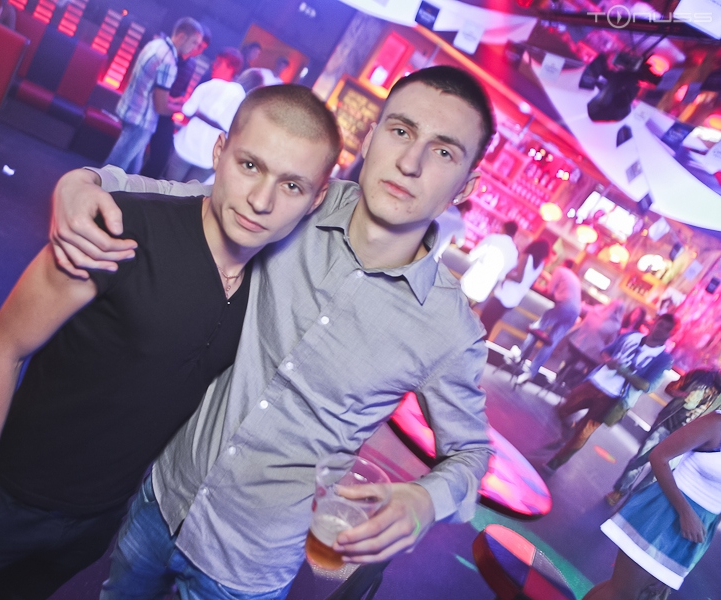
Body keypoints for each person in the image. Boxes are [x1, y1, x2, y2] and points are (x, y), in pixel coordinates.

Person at [0, 85, 340, 600]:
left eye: (291, 186)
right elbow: (1, 346)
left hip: (94, 522)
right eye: (250, 165)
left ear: (315, 198)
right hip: (5, 496)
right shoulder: (119, 229)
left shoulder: (270, 287)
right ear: (219, 151)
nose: (262, 201)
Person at [50, 66, 494, 599]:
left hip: (247, 568)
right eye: (400, 131)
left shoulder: (449, 329)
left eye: (443, 151)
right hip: (163, 496)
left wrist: (424, 500)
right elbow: (193, 202)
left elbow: (472, 454)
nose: (410, 162)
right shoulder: (298, 198)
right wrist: (91, 181)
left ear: (466, 186)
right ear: (371, 136)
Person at [584, 410, 721, 599]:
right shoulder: (716, 423)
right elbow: (659, 456)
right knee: (624, 593)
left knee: (632, 592)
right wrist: (685, 513)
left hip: (700, 529)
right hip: (665, 514)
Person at [545, 314, 676, 471]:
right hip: (595, 382)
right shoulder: (632, 336)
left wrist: (624, 372)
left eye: (667, 329)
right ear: (654, 323)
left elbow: (648, 386)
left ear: (671, 334)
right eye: (660, 325)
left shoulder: (663, 359)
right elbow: (606, 351)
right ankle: (568, 433)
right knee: (562, 409)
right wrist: (608, 361)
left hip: (614, 397)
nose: (661, 330)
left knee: (584, 431)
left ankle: (555, 463)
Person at [605, 367, 721, 506]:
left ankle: (633, 502)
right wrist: (684, 395)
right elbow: (670, 388)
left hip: (687, 440)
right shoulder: (701, 374)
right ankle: (619, 491)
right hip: (666, 425)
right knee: (641, 459)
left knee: (657, 474)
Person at [104, 17, 204, 174]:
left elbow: (148, 87)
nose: (195, 48)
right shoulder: (169, 62)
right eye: (194, 42)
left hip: (130, 109)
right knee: (112, 171)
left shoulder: (156, 45)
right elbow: (161, 108)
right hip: (141, 121)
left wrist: (173, 100)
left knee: (129, 172)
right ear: (182, 36)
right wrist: (184, 109)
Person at [164, 48, 246, 183]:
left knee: (169, 188)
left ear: (230, 68)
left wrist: (196, 113)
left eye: (218, 63)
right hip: (209, 157)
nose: (213, 65)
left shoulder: (208, 86)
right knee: (189, 194)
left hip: (186, 146)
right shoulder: (240, 96)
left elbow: (187, 110)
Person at [139, 26, 210, 179]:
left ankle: (138, 186)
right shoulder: (170, 56)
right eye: (196, 45)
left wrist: (178, 101)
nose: (197, 50)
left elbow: (180, 91)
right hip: (152, 107)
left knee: (161, 158)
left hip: (166, 112)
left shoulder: (191, 64)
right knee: (138, 153)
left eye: (201, 48)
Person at [515, 259, 581, 385]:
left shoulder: (560, 270)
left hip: (563, 306)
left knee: (537, 327)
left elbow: (549, 290)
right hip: (575, 312)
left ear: (563, 264)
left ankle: (520, 357)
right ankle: (531, 373)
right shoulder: (574, 278)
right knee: (551, 342)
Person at [477, 237, 550, 336]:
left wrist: (506, 274)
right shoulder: (540, 265)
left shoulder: (526, 257)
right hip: (514, 299)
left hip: (504, 295)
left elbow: (519, 278)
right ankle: (478, 344)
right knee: (489, 324)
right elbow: (529, 282)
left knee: (483, 321)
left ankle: (473, 343)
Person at [552, 299, 624, 390]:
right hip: (592, 354)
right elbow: (610, 343)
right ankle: (571, 387)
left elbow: (582, 308)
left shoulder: (595, 310)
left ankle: (558, 379)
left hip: (576, 343)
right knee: (589, 368)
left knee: (570, 361)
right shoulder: (615, 325)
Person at [459, 220, 518, 303]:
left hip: (469, 282)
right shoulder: (514, 252)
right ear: (514, 234)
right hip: (483, 291)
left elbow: (472, 255)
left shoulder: (493, 238)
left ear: (503, 229)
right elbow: (502, 275)